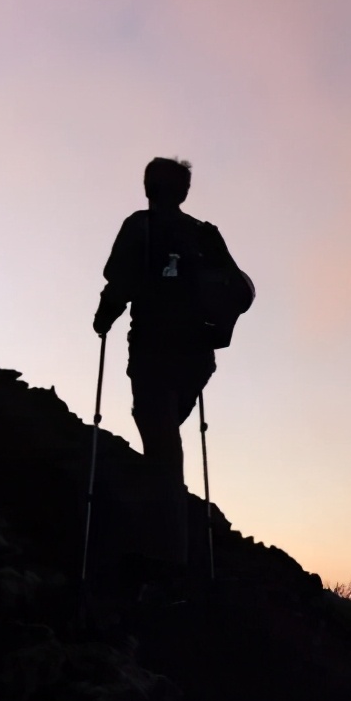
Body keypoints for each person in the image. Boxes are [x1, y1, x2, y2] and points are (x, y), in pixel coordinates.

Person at [93, 157, 216, 579]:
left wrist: (104, 316)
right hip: (197, 359)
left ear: (149, 187)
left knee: (161, 444)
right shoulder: (201, 233)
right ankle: (171, 543)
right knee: (164, 437)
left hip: (154, 351)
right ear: (183, 192)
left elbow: (120, 279)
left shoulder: (141, 226)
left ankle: (166, 556)